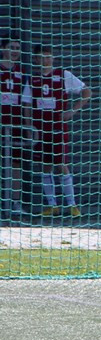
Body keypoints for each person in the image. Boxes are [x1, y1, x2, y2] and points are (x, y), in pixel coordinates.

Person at [24, 44, 91, 217]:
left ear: (53, 58)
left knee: (61, 164)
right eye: (41, 57)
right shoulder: (32, 79)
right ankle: (52, 205)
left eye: (48, 56)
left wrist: (72, 111)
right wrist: (29, 126)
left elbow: (87, 93)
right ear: (35, 60)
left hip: (58, 127)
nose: (45, 60)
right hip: (40, 128)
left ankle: (72, 205)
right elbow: (27, 105)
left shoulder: (63, 75)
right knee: (45, 165)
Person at [1, 37, 27, 216]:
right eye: (12, 47)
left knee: (16, 163)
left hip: (15, 122)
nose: (15, 51)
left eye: (18, 48)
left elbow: (26, 101)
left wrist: (28, 124)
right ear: (3, 49)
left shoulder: (22, 72)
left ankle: (15, 203)